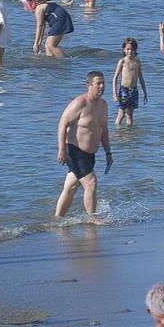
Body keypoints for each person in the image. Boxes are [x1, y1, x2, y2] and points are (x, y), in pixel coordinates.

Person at [54, 71, 113, 219]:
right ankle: (92, 218)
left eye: (103, 83)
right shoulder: (80, 103)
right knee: (91, 182)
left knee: (71, 187)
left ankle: (57, 219)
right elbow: (62, 124)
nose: (101, 86)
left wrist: (108, 152)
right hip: (74, 151)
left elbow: (103, 130)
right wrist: (61, 149)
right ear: (89, 85)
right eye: (98, 83)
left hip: (89, 155)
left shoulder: (103, 105)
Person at [112, 37, 147, 128]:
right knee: (121, 113)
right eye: (127, 49)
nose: (130, 51)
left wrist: (145, 92)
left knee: (130, 115)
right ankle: (117, 130)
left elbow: (141, 78)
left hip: (134, 90)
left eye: (132, 49)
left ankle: (129, 135)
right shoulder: (122, 61)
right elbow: (115, 78)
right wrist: (115, 94)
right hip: (124, 90)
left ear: (135, 50)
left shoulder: (137, 62)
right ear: (124, 49)